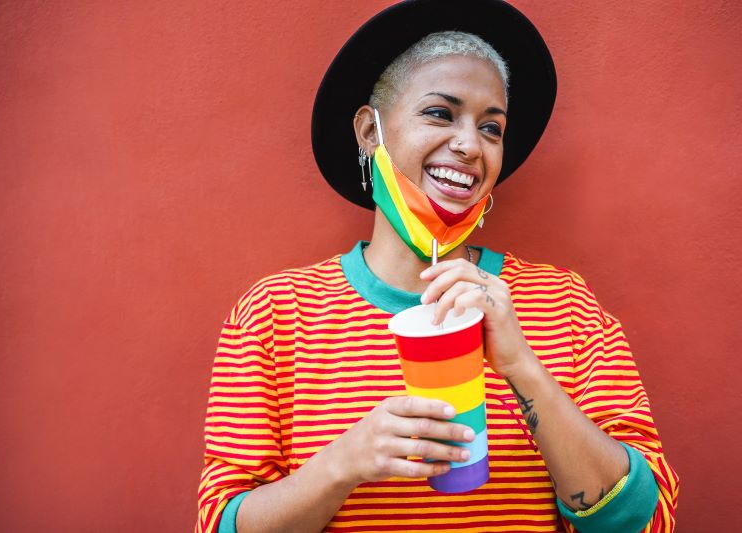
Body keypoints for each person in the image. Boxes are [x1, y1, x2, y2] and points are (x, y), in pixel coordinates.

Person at [196, 1, 679, 532]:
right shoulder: (273, 315)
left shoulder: (564, 305)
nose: (470, 145)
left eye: (491, 128)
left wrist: (523, 367)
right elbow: (218, 522)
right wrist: (344, 464)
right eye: (439, 113)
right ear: (369, 131)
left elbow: (648, 521)